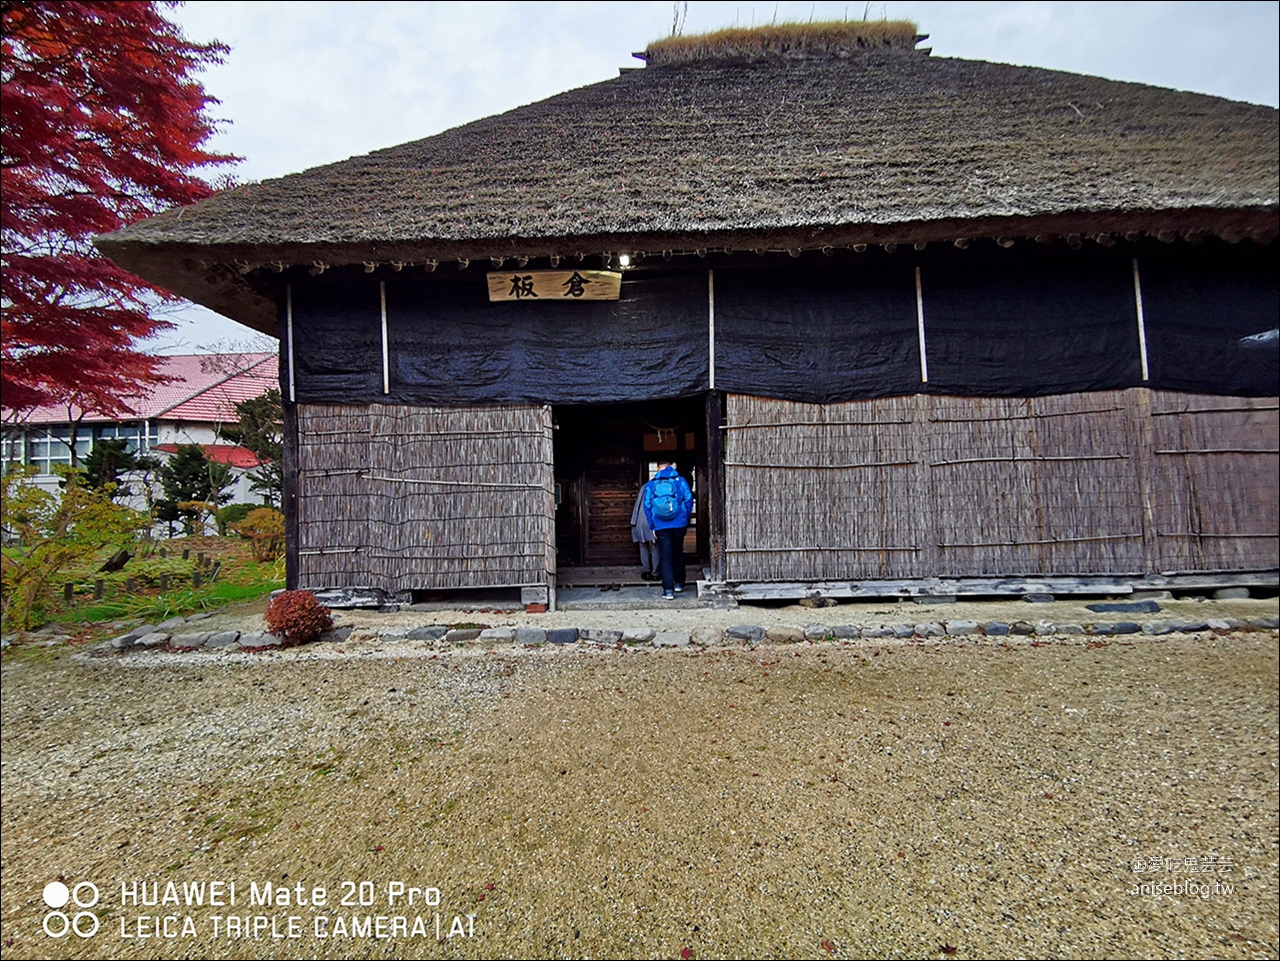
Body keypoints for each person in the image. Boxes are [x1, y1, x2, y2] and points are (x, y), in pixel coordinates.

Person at [642, 459, 693, 600]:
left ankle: (668, 590)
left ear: (658, 467)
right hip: (679, 524)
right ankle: (680, 583)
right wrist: (684, 517)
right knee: (678, 552)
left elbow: (647, 506)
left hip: (660, 526)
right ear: (671, 466)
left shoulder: (651, 484)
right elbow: (689, 500)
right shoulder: (680, 481)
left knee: (665, 557)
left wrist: (652, 525)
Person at [630, 486, 660, 580]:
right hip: (654, 519)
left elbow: (637, 504)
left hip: (640, 519)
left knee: (643, 545)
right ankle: (655, 572)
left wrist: (633, 521)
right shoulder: (660, 486)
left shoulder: (644, 487)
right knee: (656, 546)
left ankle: (646, 571)